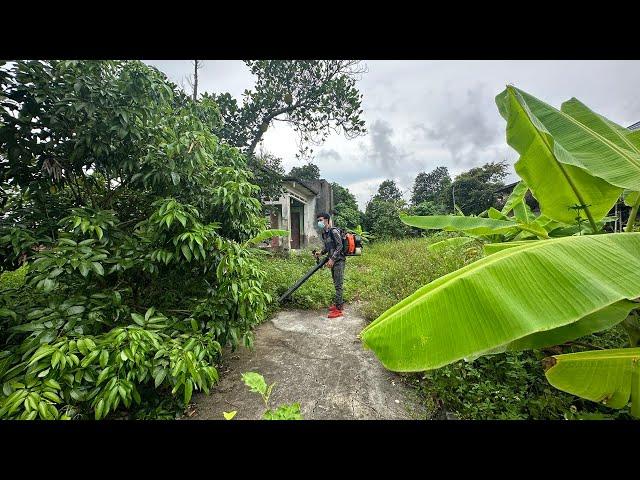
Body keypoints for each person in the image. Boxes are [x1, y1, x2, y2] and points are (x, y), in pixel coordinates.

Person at [314, 212, 346, 318]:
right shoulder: (325, 233)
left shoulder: (334, 231)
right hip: (332, 261)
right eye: (318, 220)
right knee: (335, 283)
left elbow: (340, 246)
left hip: (339, 261)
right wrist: (321, 252)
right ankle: (338, 304)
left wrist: (332, 259)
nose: (319, 222)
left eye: (321, 220)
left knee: (338, 285)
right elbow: (328, 248)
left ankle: (339, 309)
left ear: (327, 220)